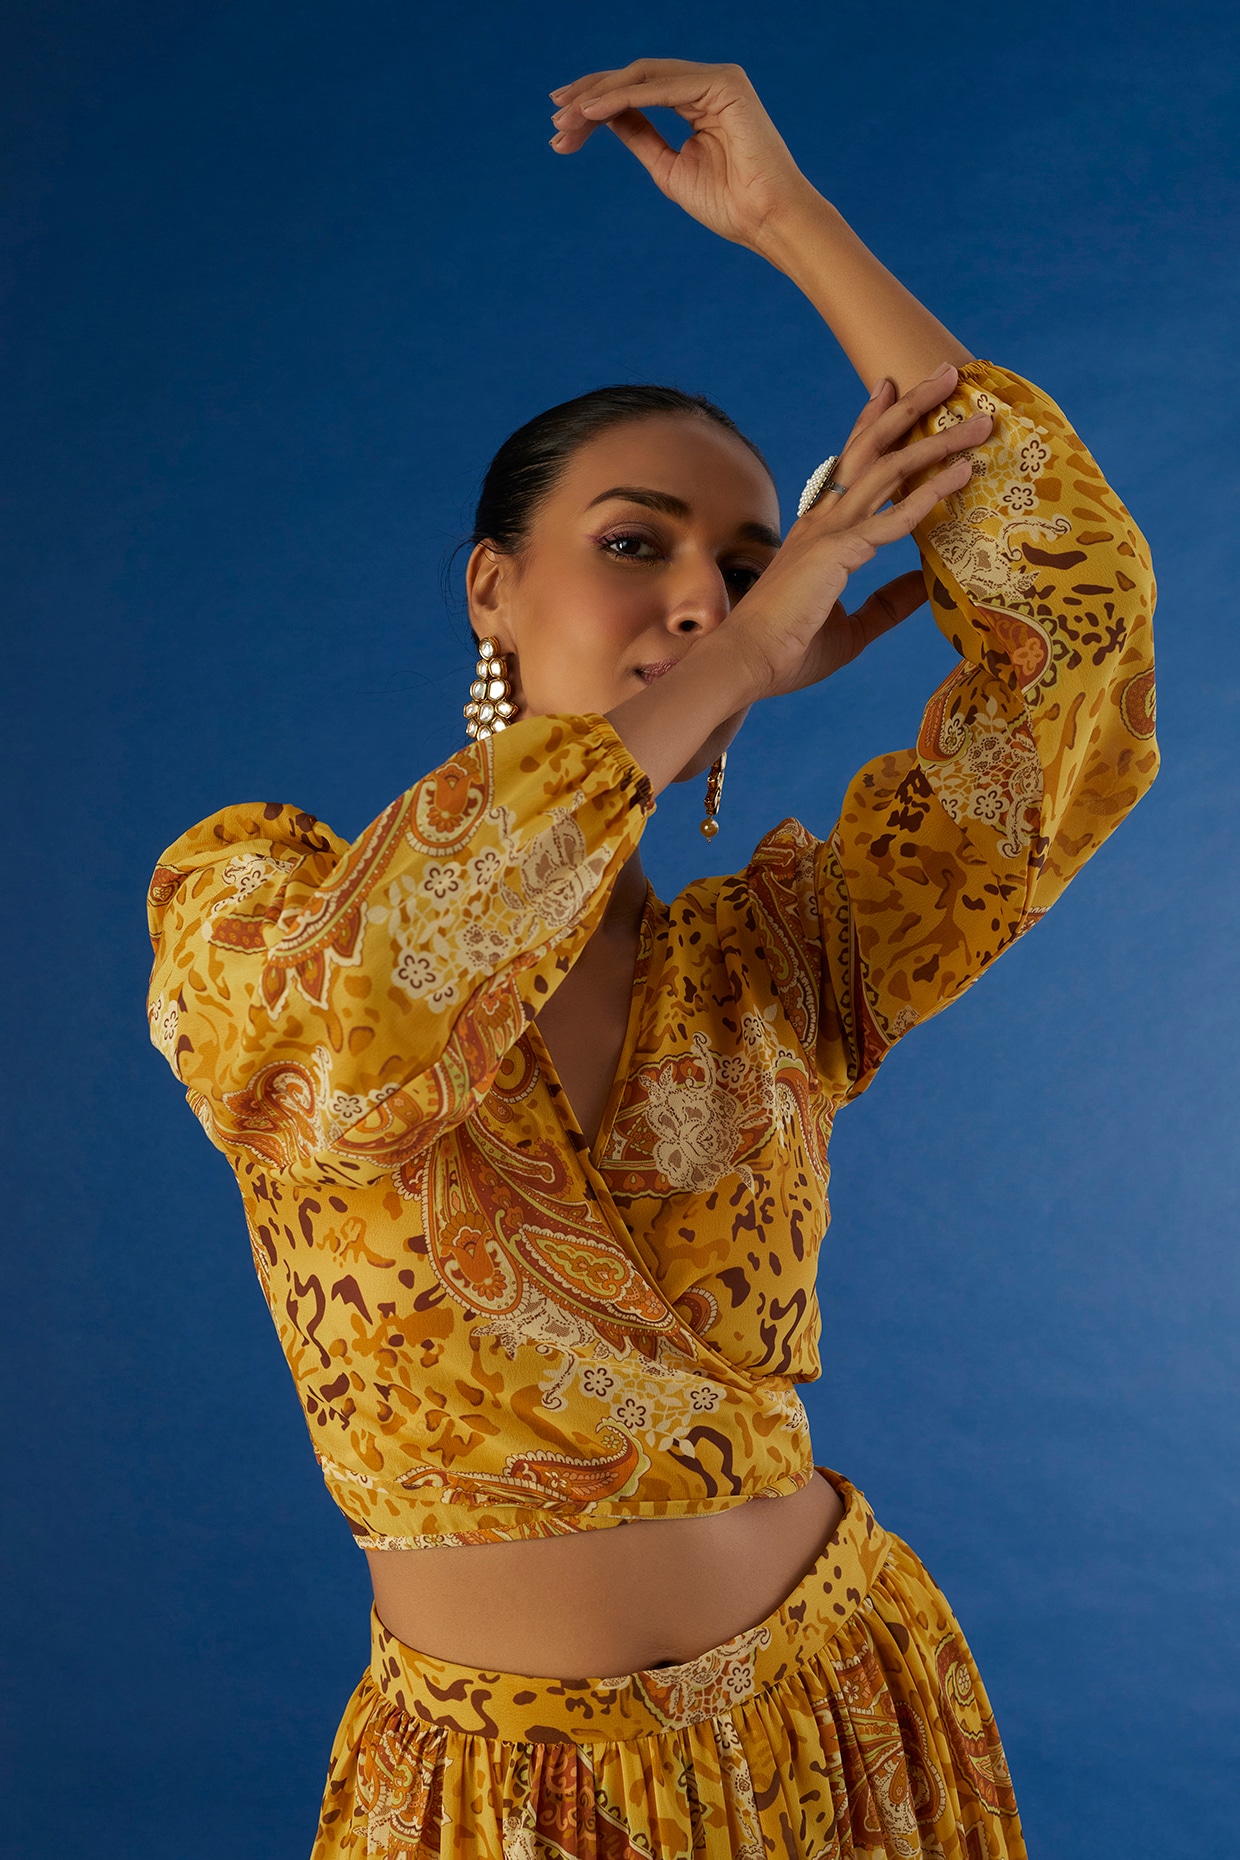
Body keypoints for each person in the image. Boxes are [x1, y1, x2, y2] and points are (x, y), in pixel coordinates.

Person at [146, 57, 1158, 1860]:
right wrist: (747, 655)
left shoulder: (788, 961)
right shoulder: (249, 899)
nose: (706, 591)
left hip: (844, 1739)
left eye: (753, 559)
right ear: (490, 591)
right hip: (489, 1797)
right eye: (638, 548)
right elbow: (360, 1029)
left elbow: (1078, 655)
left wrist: (793, 223)